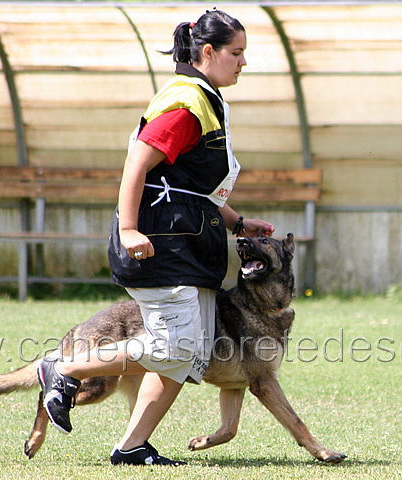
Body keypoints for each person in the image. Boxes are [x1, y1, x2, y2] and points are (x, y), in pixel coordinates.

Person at [37, 9, 275, 466]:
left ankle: (131, 448)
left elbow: (188, 185)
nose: (243, 62)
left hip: (191, 242)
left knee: (188, 356)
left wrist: (235, 222)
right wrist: (128, 228)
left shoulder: (206, 100)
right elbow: (137, 166)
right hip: (161, 244)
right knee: (176, 347)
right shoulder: (186, 103)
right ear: (208, 52)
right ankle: (62, 368)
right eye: (237, 52)